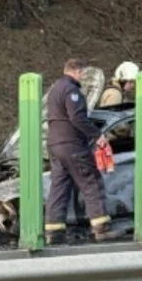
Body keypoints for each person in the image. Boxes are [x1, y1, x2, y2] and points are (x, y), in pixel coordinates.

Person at [44, 59, 118, 244]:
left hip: (54, 145)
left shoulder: (54, 89)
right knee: (91, 182)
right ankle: (101, 229)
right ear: (76, 71)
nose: (83, 77)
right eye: (82, 73)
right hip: (72, 145)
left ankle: (54, 232)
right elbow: (77, 118)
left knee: (59, 188)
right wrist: (97, 135)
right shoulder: (71, 90)